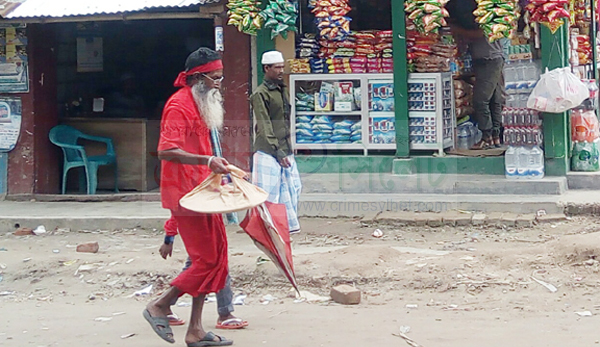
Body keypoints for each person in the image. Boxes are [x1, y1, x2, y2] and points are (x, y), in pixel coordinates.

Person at [143, 47, 233, 347]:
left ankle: (195, 329)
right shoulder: (178, 105)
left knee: (216, 258)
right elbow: (166, 150)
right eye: (215, 78)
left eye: (221, 77)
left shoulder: (200, 103)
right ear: (198, 78)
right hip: (185, 194)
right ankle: (160, 304)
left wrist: (219, 171)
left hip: (204, 190)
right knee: (207, 260)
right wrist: (207, 162)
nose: (219, 83)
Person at [159, 215, 249, 329]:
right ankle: (224, 313)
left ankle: (164, 305)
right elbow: (177, 212)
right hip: (202, 232)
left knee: (194, 268)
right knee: (216, 267)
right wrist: (168, 239)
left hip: (211, 230)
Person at [249, 51, 302, 234]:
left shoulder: (282, 89)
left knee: (293, 188)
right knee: (269, 193)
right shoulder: (260, 94)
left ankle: (284, 229)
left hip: (284, 148)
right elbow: (265, 126)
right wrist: (278, 151)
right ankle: (267, 230)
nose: (281, 70)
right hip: (267, 151)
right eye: (277, 67)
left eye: (282, 66)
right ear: (266, 68)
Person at [448, 0, 506, 149]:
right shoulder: (485, 14)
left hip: (490, 60)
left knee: (481, 100)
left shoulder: (491, 15)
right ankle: (495, 137)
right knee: (494, 99)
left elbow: (478, 34)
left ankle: (487, 137)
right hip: (485, 60)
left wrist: (457, 29)